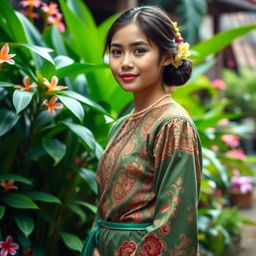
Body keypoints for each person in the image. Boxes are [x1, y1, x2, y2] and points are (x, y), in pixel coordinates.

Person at [81, 5, 202, 256]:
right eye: (116, 52)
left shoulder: (173, 124)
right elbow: (105, 204)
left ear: (167, 56)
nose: (125, 63)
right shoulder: (121, 124)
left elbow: (175, 220)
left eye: (139, 51)